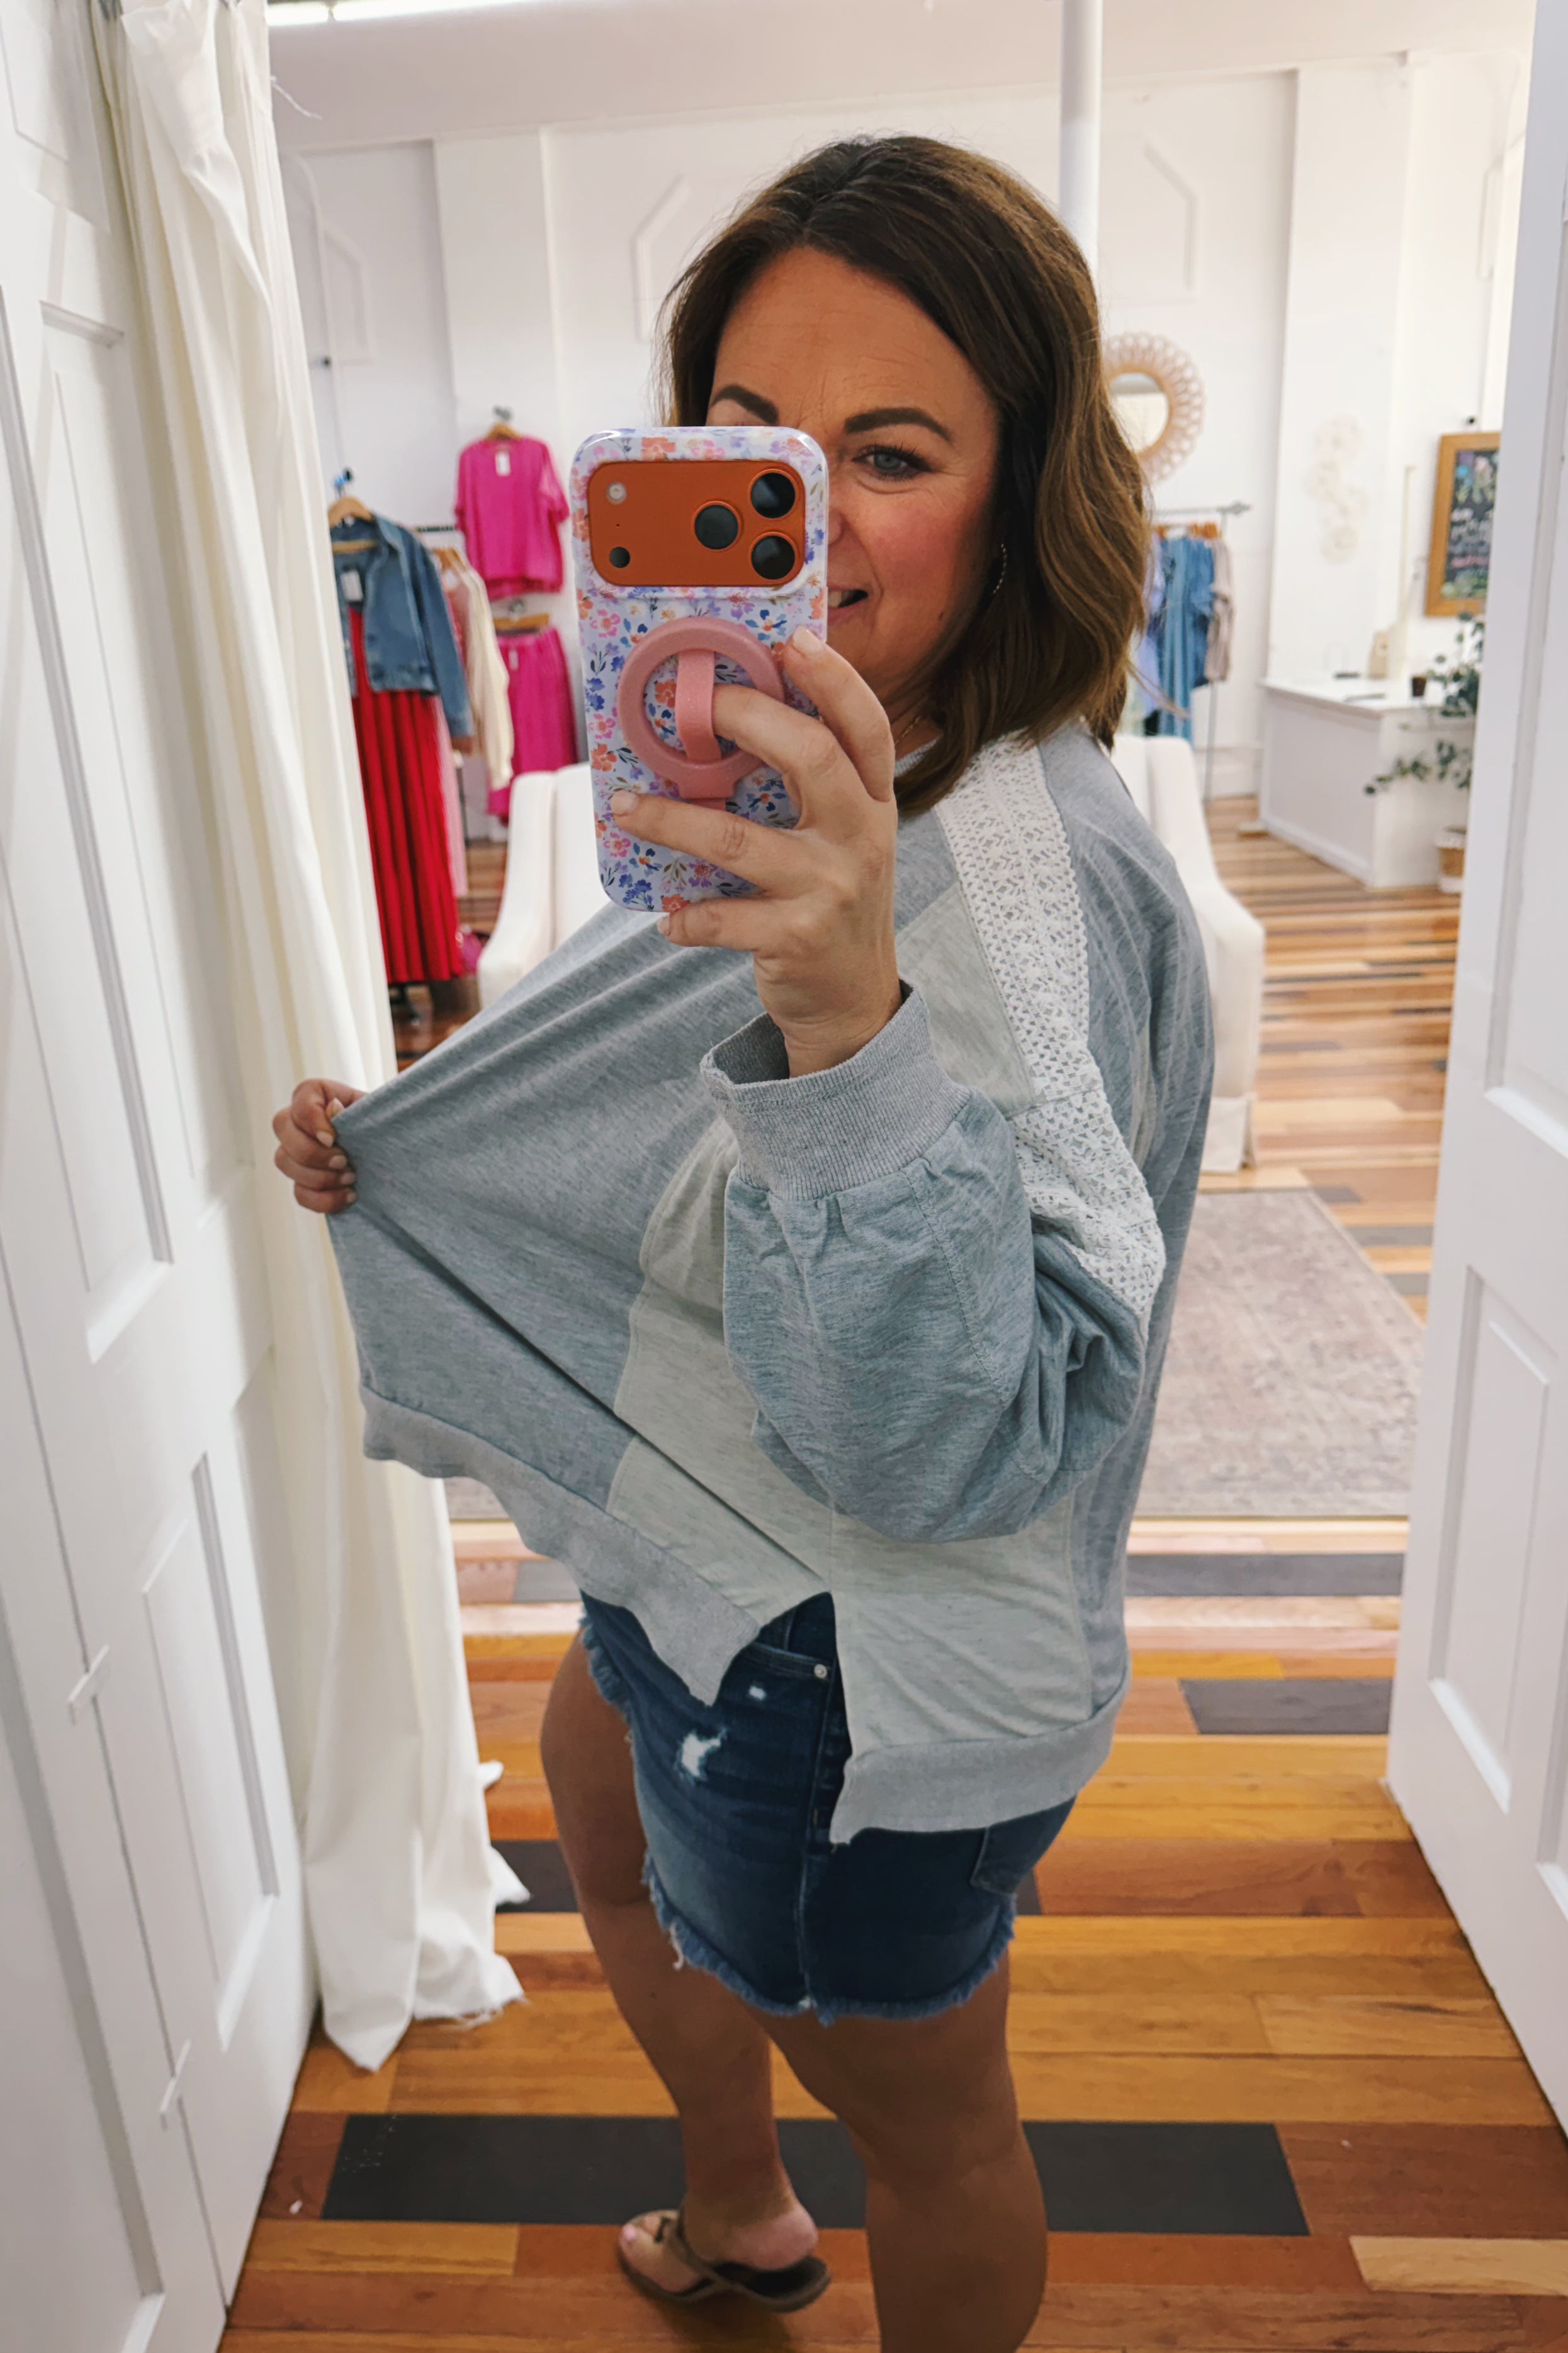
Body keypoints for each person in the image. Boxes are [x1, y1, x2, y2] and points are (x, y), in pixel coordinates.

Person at [272, 136, 1213, 2353]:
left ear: (1023, 488)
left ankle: (782, 2208)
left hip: (857, 1662)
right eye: (749, 443)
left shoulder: (1028, 879)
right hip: (703, 1532)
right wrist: (424, 1138)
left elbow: (956, 1447)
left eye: (887, 454)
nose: (802, 517)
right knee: (594, 1806)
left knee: (936, 2132)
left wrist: (848, 1016)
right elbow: (661, 1079)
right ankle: (734, 2210)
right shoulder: (810, 756)